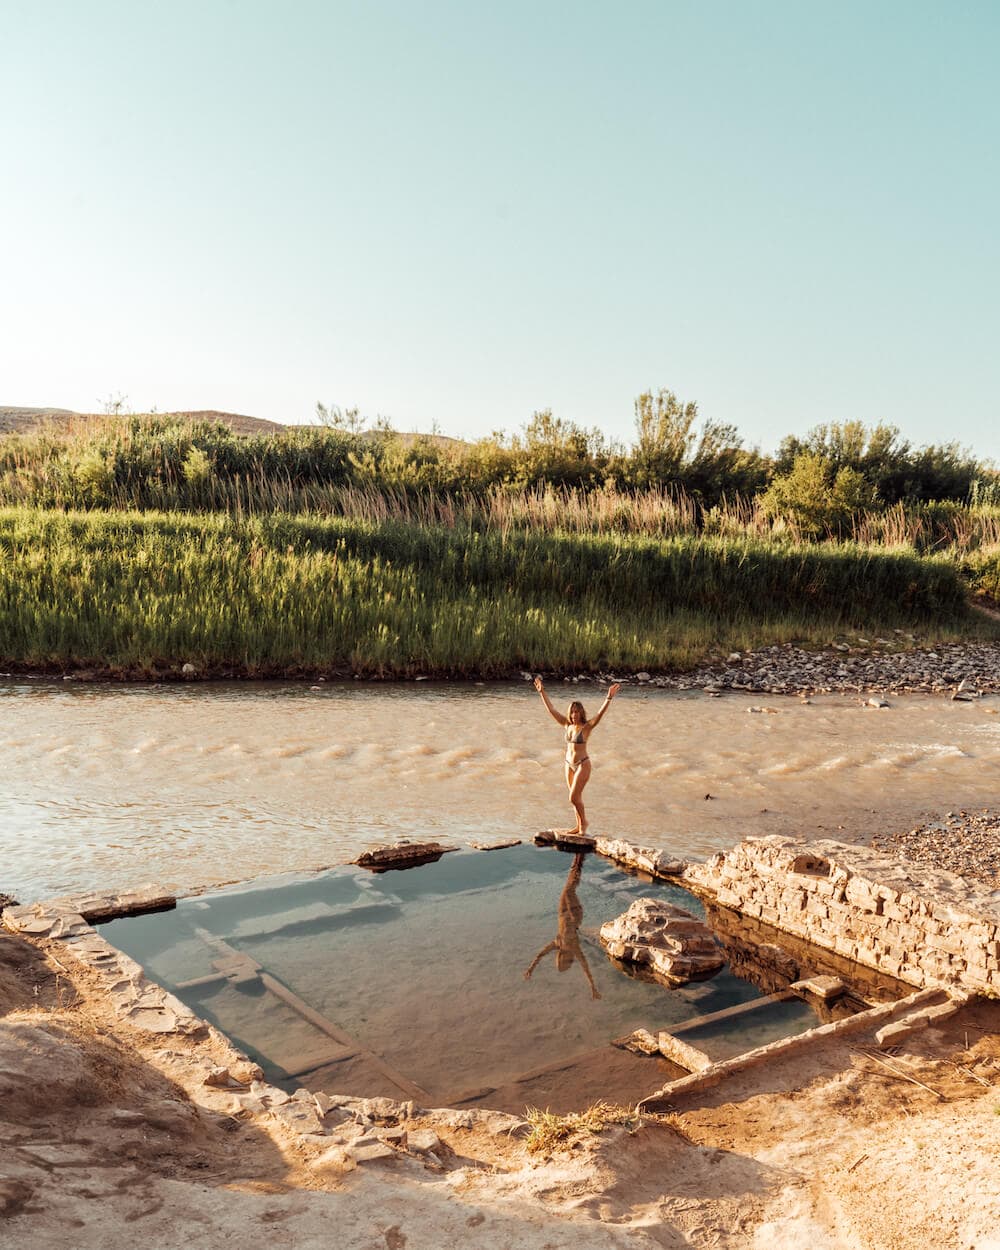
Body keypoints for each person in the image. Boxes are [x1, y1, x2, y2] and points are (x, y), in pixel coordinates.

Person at [533, 676, 621, 836]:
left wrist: (608, 697)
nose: (574, 714)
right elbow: (551, 710)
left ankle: (584, 823)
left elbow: (600, 714)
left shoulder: (587, 727)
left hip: (582, 764)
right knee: (576, 798)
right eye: (572, 712)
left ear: (581, 713)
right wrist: (542, 692)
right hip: (568, 764)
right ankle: (579, 826)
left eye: (577, 712)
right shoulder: (567, 725)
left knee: (573, 797)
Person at [523, 852, 601, 999]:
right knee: (571, 885)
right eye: (562, 962)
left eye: (559, 961)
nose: (559, 959)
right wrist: (593, 987)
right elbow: (586, 968)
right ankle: (579, 856)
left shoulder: (557, 943)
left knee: (570, 885)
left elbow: (540, 955)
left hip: (563, 911)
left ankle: (579, 857)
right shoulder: (574, 947)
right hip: (574, 914)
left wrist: (530, 969)